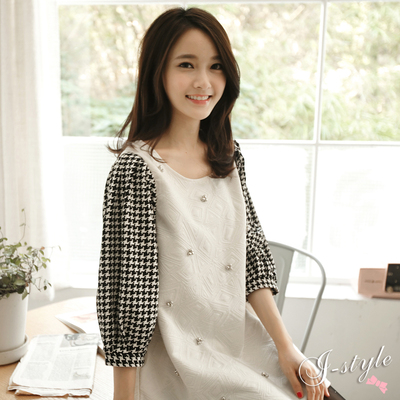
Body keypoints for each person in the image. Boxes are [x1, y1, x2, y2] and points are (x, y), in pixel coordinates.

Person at [96, 7, 330, 400]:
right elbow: (128, 295)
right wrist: (124, 395)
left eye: (216, 66)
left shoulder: (229, 157)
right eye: (186, 64)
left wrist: (288, 348)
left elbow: (251, 260)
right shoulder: (136, 171)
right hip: (177, 362)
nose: (203, 81)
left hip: (241, 343)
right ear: (157, 72)